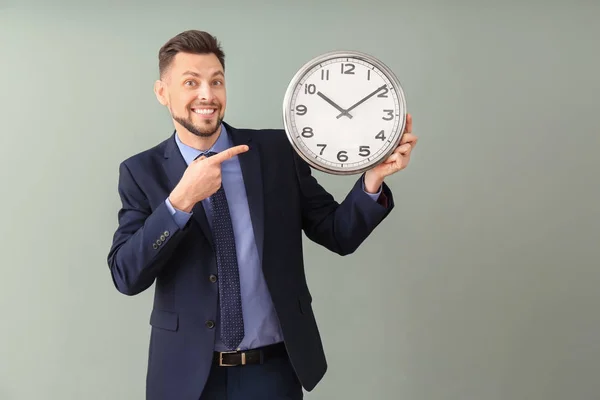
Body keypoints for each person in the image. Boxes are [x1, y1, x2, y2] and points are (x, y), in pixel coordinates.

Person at [107, 30, 418, 400]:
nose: (206, 94)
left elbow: (338, 234)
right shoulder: (142, 172)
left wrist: (372, 182)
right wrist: (180, 203)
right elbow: (126, 275)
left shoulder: (275, 153)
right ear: (163, 93)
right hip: (186, 376)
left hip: (271, 372)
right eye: (191, 82)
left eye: (216, 81)